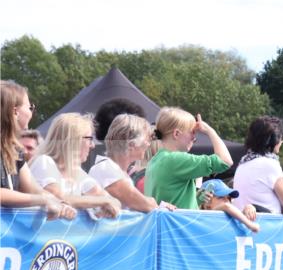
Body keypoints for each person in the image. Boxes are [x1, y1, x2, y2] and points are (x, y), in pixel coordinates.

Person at [0, 81, 73, 219]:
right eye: (30, 107)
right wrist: (43, 200)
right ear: (15, 111)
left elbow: (32, 188)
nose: (32, 113)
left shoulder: (14, 150)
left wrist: (59, 203)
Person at [29, 113, 121, 218]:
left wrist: (109, 206)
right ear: (73, 140)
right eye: (89, 139)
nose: (92, 145)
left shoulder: (76, 172)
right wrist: (103, 202)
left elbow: (111, 200)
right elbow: (59, 198)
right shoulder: (43, 162)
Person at [145, 107, 233, 209]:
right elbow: (225, 161)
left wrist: (197, 199)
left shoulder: (155, 160)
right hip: (179, 224)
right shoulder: (176, 159)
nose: (194, 138)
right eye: (192, 132)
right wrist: (210, 130)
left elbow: (170, 202)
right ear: (176, 134)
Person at [90, 114, 174, 212]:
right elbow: (143, 204)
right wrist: (155, 204)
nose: (148, 144)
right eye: (146, 139)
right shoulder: (106, 169)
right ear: (131, 145)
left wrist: (157, 205)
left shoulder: (113, 169)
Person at [233, 116, 283, 215]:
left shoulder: (243, 163)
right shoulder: (270, 164)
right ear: (274, 140)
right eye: (281, 137)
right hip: (266, 226)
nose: (282, 141)